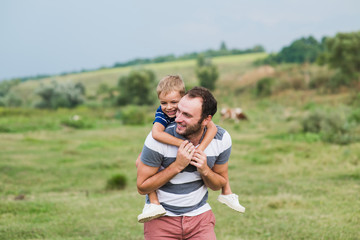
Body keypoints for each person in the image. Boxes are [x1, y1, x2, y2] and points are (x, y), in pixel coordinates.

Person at [137, 87, 244, 239]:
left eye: (186, 115)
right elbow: (142, 187)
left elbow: (217, 184)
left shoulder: (221, 139)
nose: (177, 118)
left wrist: (205, 170)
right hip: (161, 221)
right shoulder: (158, 139)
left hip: (200, 220)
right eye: (179, 111)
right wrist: (177, 166)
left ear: (206, 119)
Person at [136, 75, 219, 223]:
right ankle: (153, 203)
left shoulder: (188, 110)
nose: (169, 107)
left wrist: (200, 148)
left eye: (174, 102)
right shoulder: (162, 113)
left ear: (184, 98)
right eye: (163, 102)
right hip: (162, 149)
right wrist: (180, 144)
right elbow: (156, 133)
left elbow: (212, 128)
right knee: (140, 162)